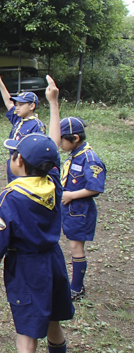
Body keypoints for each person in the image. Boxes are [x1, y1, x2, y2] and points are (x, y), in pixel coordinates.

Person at [0, 76, 75, 353]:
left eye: (13, 154)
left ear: (18, 162)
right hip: (54, 262)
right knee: (54, 324)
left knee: (26, 342)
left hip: (27, 270)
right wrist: (54, 103)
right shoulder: (54, 184)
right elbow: (54, 147)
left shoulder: (10, 198)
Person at [58, 117, 106, 301]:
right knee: (72, 246)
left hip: (80, 211)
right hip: (69, 210)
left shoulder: (90, 158)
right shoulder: (75, 155)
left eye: (62, 139)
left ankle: (77, 288)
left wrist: (71, 195)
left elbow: (96, 187)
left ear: (75, 138)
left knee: (76, 248)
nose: (60, 143)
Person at [0, 69, 45, 183]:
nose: (17, 107)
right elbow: (8, 102)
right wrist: (0, 83)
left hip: (25, 167)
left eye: (21, 105)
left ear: (32, 106)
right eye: (17, 104)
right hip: (13, 162)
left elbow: (37, 150)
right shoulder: (18, 119)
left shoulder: (37, 125)